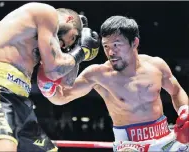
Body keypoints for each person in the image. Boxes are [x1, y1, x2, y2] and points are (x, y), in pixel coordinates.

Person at [38, 15, 189, 151]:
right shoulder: (99, 74)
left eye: (116, 45)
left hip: (166, 139)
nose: (111, 52)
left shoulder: (156, 65)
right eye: (106, 46)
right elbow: (62, 97)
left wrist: (184, 110)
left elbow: (176, 91)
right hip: (130, 146)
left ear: (134, 43)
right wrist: (46, 87)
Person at [0, 2, 100, 152]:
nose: (66, 46)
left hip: (20, 101)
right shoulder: (46, 13)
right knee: (2, 145)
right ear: (68, 20)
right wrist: (81, 52)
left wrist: (77, 49)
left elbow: (66, 82)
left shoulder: (43, 46)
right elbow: (55, 69)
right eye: (72, 38)